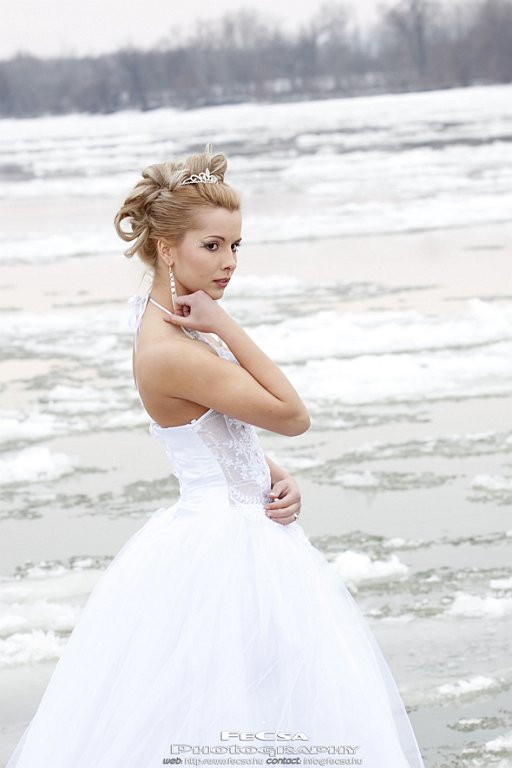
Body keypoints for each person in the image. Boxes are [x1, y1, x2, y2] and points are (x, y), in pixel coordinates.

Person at [5, 145, 425, 768]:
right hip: (224, 549)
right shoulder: (173, 349)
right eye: (213, 245)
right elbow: (293, 415)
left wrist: (269, 474)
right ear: (167, 249)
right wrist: (225, 324)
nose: (229, 262)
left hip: (241, 523)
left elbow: (205, 432)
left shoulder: (168, 322)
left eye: (236, 246)